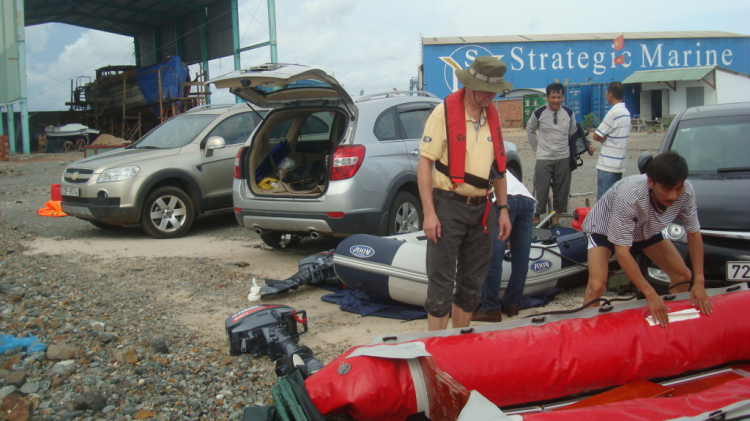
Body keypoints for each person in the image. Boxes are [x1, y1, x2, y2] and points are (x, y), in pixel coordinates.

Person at [417, 56, 513, 331]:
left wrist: (503, 209)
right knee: (441, 283)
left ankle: (459, 343)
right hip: (448, 205)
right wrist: (429, 214)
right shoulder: (443, 113)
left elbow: (499, 169)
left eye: (495, 90)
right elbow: (425, 165)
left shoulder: (491, 116)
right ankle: (435, 350)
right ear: (470, 85)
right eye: (485, 89)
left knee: (473, 283)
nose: (491, 96)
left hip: (482, 209)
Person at [581, 150, 713, 327]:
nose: (673, 196)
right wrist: (651, 294)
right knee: (597, 284)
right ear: (650, 182)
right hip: (604, 228)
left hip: (645, 229)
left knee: (683, 275)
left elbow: (694, 233)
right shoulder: (630, 197)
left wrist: (699, 281)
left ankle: (669, 325)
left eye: (678, 188)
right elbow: (622, 253)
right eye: (666, 189)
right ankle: (588, 332)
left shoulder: (686, 192)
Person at [473, 172, 535, 322]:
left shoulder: (478, 164)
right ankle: (513, 304)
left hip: (502, 201)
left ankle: (490, 308)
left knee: (493, 258)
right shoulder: (499, 165)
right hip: (526, 199)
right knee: (521, 258)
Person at [527, 83, 578, 227]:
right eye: (553, 97)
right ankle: (537, 217)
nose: (556, 100)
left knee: (561, 190)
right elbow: (530, 130)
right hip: (544, 158)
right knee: (540, 189)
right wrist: (537, 149)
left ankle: (556, 219)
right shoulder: (539, 113)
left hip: (563, 158)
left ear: (563, 97)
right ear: (547, 97)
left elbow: (572, 132)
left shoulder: (569, 113)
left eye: (559, 97)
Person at [591, 81, 631, 200]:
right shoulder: (626, 112)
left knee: (603, 203)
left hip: (607, 165)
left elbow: (596, 135)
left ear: (610, 94)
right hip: (619, 164)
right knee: (614, 201)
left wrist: (604, 138)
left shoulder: (613, 112)